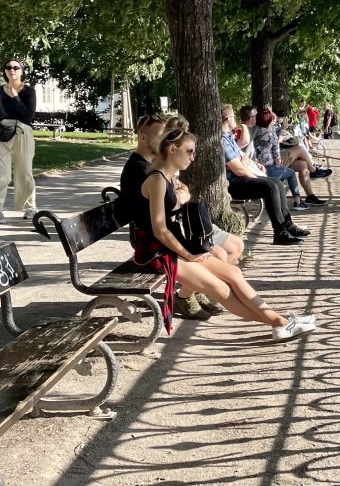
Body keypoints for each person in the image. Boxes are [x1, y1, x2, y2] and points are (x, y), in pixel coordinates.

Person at [134, 116, 316, 340]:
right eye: (189, 151)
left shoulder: (168, 177)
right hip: (157, 253)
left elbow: (182, 200)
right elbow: (160, 229)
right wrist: (189, 254)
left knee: (234, 273)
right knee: (220, 289)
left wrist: (189, 250)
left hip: (175, 247)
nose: (193, 157)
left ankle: (279, 319)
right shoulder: (157, 180)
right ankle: (280, 322)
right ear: (172, 150)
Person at [120, 113, 246, 320]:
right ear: (143, 136)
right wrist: (181, 195)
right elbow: (174, 201)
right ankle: (189, 295)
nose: (166, 140)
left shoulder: (154, 166)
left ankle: (190, 294)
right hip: (155, 240)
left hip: (176, 228)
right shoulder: (141, 170)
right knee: (219, 254)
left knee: (228, 250)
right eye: (161, 135)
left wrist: (181, 194)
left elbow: (181, 193)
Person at [221, 104, 309, 244]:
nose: (234, 119)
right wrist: (255, 176)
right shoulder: (222, 140)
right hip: (233, 183)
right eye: (232, 117)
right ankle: (279, 232)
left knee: (277, 183)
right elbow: (238, 168)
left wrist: (253, 164)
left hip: (240, 176)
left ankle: (288, 225)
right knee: (270, 186)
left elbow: (242, 157)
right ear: (227, 118)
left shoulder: (228, 137)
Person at [0, 58, 38, 223]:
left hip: (23, 132)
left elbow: (27, 116)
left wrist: (15, 96)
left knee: (24, 172)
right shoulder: (0, 90)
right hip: (3, 133)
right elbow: (4, 112)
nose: (12, 70)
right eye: (8, 67)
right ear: (5, 71)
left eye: (16, 67)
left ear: (22, 71)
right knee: (0, 173)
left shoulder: (29, 91)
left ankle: (30, 207)